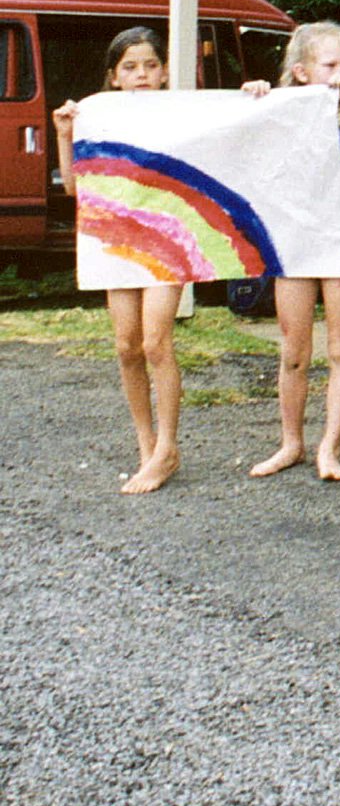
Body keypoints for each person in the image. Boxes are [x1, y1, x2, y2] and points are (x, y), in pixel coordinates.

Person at [245, 22, 340, 482]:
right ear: (301, 71)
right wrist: (253, 98)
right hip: (294, 244)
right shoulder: (281, 111)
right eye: (330, 64)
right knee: (294, 351)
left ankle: (329, 447)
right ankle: (291, 442)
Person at [52, 28, 186, 494]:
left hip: (168, 241)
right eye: (130, 67)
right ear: (113, 76)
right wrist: (65, 135)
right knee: (127, 346)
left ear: (164, 70)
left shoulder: (184, 114)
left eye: (150, 65)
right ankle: (147, 444)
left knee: (155, 343)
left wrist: (256, 95)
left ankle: (168, 448)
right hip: (117, 242)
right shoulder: (99, 118)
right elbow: (74, 188)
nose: (142, 75)